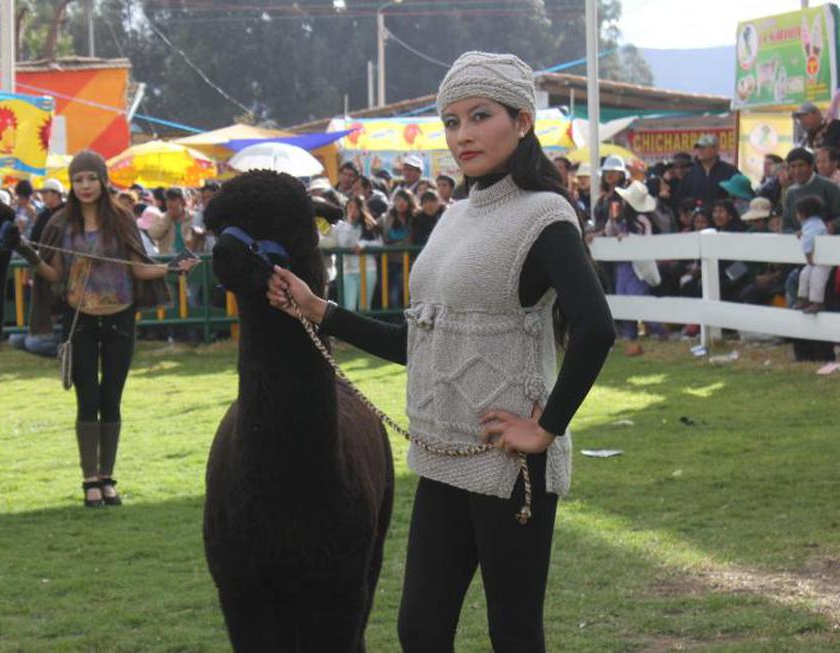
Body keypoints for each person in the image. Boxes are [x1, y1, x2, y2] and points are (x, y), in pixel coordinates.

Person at [267, 51, 615, 651]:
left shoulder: (544, 214)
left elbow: (596, 327)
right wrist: (319, 310)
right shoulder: (453, 217)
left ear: (522, 121)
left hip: (509, 462)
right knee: (420, 630)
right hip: (440, 453)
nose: (462, 135)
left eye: (479, 116)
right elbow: (422, 343)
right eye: (451, 121)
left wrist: (546, 428)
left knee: (513, 633)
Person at [15, 150, 198, 508]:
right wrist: (28, 254)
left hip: (120, 317)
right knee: (87, 398)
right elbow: (54, 274)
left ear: (103, 180)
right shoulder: (60, 223)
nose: (85, 185)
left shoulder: (122, 219)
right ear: (71, 184)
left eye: (91, 178)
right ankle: (90, 481)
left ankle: (108, 478)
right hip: (79, 319)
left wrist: (174, 267)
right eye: (78, 179)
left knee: (111, 397)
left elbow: (140, 268)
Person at [605, 180, 666, 354]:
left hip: (638, 266)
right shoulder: (621, 219)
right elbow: (609, 232)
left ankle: (658, 329)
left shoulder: (642, 221)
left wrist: (629, 237)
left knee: (638, 298)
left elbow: (646, 242)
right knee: (622, 296)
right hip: (623, 265)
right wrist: (612, 220)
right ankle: (631, 335)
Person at [781, 147, 840, 233]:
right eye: (793, 166)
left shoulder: (830, 187)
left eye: (801, 165)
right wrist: (794, 233)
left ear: (811, 166)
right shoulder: (790, 193)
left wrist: (832, 226)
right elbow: (786, 226)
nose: (797, 171)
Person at [674, 134, 740, 205]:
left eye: (703, 147)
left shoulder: (729, 171)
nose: (700, 151)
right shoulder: (691, 174)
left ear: (715, 149)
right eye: (698, 148)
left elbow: (742, 195)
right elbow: (679, 200)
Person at [793, 195, 831, 313]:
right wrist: (801, 232)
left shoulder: (813, 224)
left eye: (797, 212)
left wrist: (808, 256)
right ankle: (803, 298)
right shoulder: (812, 224)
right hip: (816, 259)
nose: (796, 215)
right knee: (804, 274)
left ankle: (817, 302)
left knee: (817, 277)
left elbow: (808, 241)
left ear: (803, 214)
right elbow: (807, 234)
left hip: (823, 259)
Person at [380, 188, 416, 308]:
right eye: (398, 200)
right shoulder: (386, 218)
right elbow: (375, 229)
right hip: (390, 263)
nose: (401, 203)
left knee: (409, 297)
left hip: (409, 263)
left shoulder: (415, 217)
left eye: (404, 200)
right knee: (393, 297)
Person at [148, 186, 192, 255]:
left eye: (173, 199)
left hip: (189, 260)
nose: (169, 203)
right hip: (167, 260)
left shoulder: (192, 218)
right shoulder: (161, 217)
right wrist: (168, 218)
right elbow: (153, 234)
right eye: (167, 200)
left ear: (183, 202)